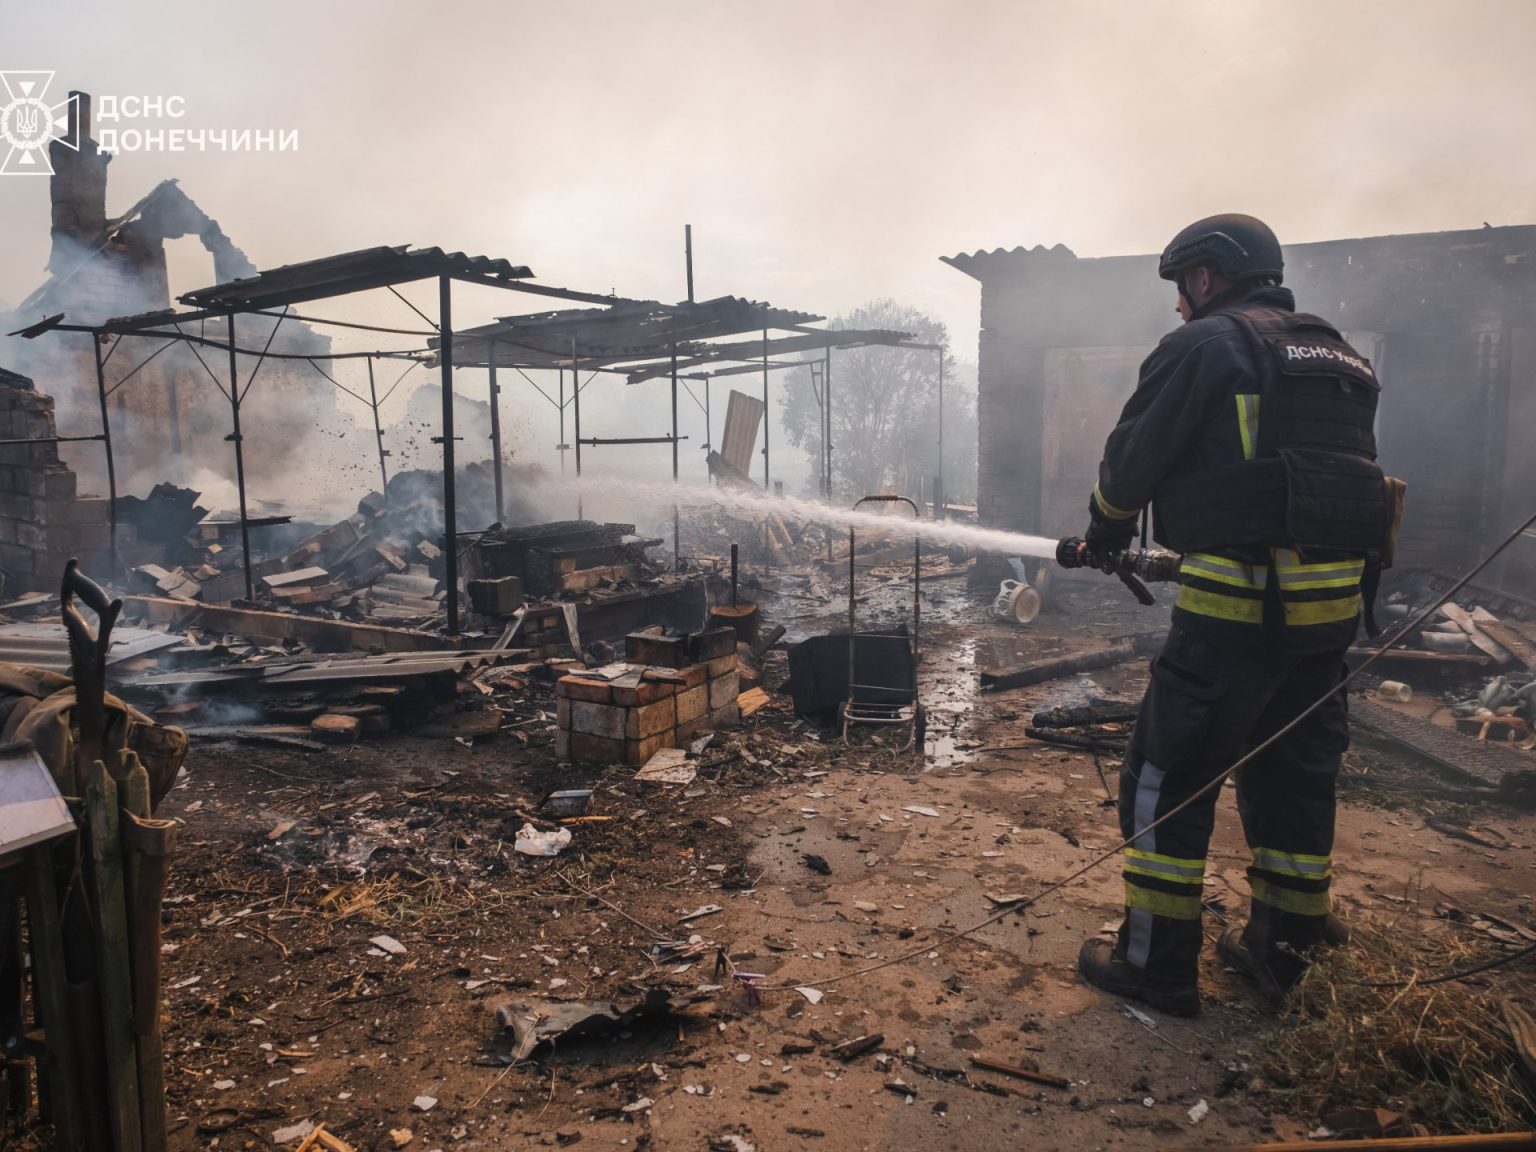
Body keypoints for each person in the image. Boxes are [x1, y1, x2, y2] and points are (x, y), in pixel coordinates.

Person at [1075, 213, 1399, 1016]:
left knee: (1166, 779)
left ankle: (1154, 967)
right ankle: (1283, 955)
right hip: (1326, 629)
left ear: (1208, 277)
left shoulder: (1206, 345)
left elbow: (1131, 462)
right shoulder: (1342, 358)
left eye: (1183, 287)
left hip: (1236, 616)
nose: (1180, 305)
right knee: (1293, 782)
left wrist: (1106, 532)